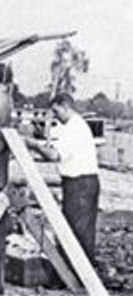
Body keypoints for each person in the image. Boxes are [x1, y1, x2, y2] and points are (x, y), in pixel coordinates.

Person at [24, 92, 100, 264]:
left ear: (66, 106)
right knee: (73, 229)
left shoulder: (75, 128)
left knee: (77, 232)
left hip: (81, 184)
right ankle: (74, 272)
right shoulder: (72, 127)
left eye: (56, 112)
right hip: (77, 183)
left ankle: (79, 274)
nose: (56, 117)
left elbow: (53, 155)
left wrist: (34, 145)